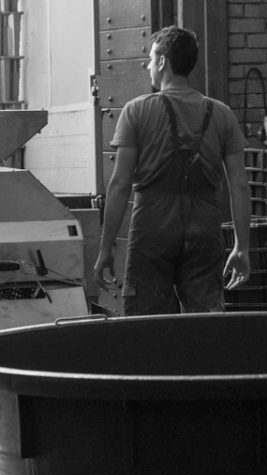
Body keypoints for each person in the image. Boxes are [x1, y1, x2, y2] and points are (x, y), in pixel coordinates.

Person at [94, 26, 252, 316]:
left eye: (152, 58)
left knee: (146, 325)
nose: (148, 65)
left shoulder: (136, 111)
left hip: (152, 229)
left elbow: (120, 184)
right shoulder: (221, 114)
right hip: (203, 229)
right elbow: (240, 185)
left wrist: (106, 247)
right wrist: (242, 246)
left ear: (164, 62)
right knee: (206, 322)